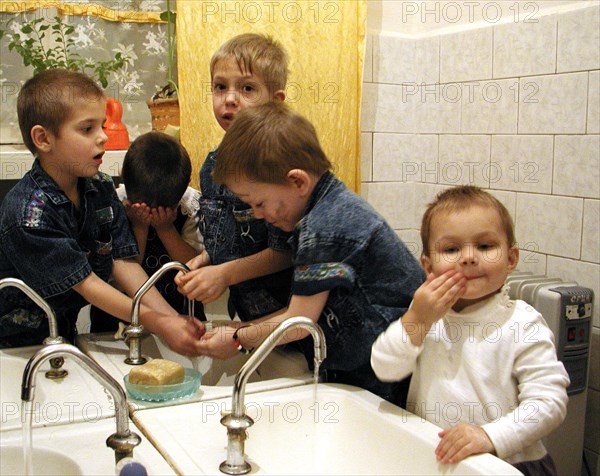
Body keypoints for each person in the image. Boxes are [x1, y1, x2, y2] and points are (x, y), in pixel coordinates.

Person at [193, 101, 424, 405]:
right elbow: (303, 312)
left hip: (386, 376)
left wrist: (238, 339)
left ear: (297, 181)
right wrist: (241, 328)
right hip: (372, 365)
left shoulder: (324, 228)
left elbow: (298, 323)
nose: (258, 214)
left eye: (259, 203)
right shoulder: (330, 208)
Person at [0, 69, 204, 353]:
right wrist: (158, 322)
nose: (103, 138)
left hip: (62, 335)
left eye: (102, 126)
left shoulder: (99, 188)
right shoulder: (28, 214)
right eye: (87, 129)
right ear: (43, 139)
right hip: (14, 346)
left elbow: (123, 262)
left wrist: (173, 318)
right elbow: (87, 284)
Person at [371, 185, 569, 475]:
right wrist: (417, 319)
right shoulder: (428, 317)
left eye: (485, 246)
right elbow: (384, 367)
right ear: (428, 266)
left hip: (508, 464)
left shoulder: (522, 323)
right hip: (437, 457)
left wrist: (490, 436)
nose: (468, 257)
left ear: (511, 258)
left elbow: (549, 402)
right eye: (451, 249)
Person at [175, 33, 294, 323]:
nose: (229, 98)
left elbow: (285, 253)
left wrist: (224, 274)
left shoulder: (282, 167)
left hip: (288, 316)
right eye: (220, 86)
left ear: (275, 103)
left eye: (247, 88)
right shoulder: (212, 166)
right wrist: (205, 262)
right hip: (248, 315)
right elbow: (226, 242)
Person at [90, 131, 206, 332]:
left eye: (163, 210)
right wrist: (139, 227)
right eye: (143, 208)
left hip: (182, 312)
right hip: (118, 319)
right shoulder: (114, 203)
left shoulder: (190, 205)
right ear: (123, 178)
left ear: (186, 183)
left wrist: (166, 229)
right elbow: (123, 271)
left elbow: (193, 268)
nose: (152, 214)